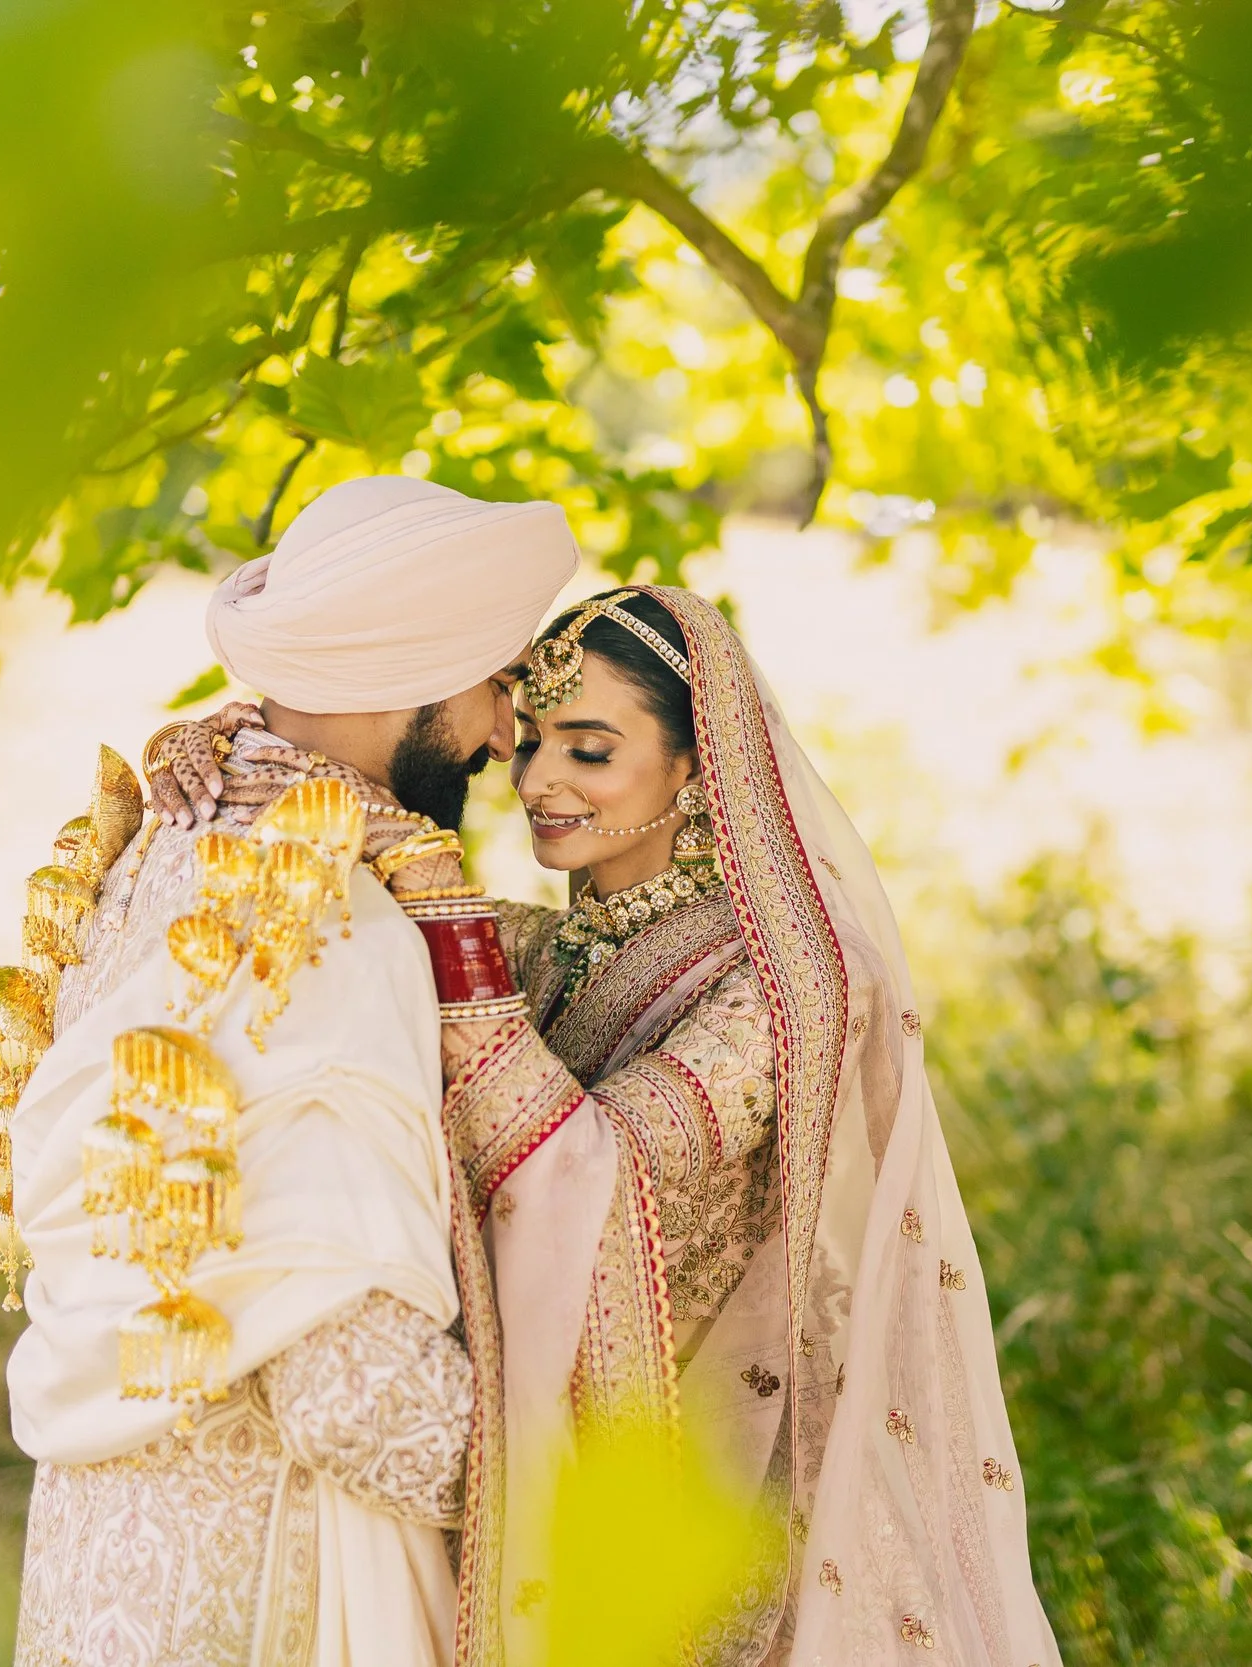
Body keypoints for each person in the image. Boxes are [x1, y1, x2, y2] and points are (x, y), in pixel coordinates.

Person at [160, 586, 1061, 1664]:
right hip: (527, 1468)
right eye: (529, 740)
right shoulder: (532, 949)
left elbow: (591, 1168)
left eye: (589, 750)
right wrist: (247, 753)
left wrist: (443, 909)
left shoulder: (795, 985)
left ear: (696, 764)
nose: (536, 780)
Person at [0, 475, 574, 1666]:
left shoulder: (160, 846)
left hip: (98, 1567)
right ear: (412, 667)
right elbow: (353, 1392)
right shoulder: (325, 923)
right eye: (500, 684)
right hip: (266, 1593)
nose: (506, 738)